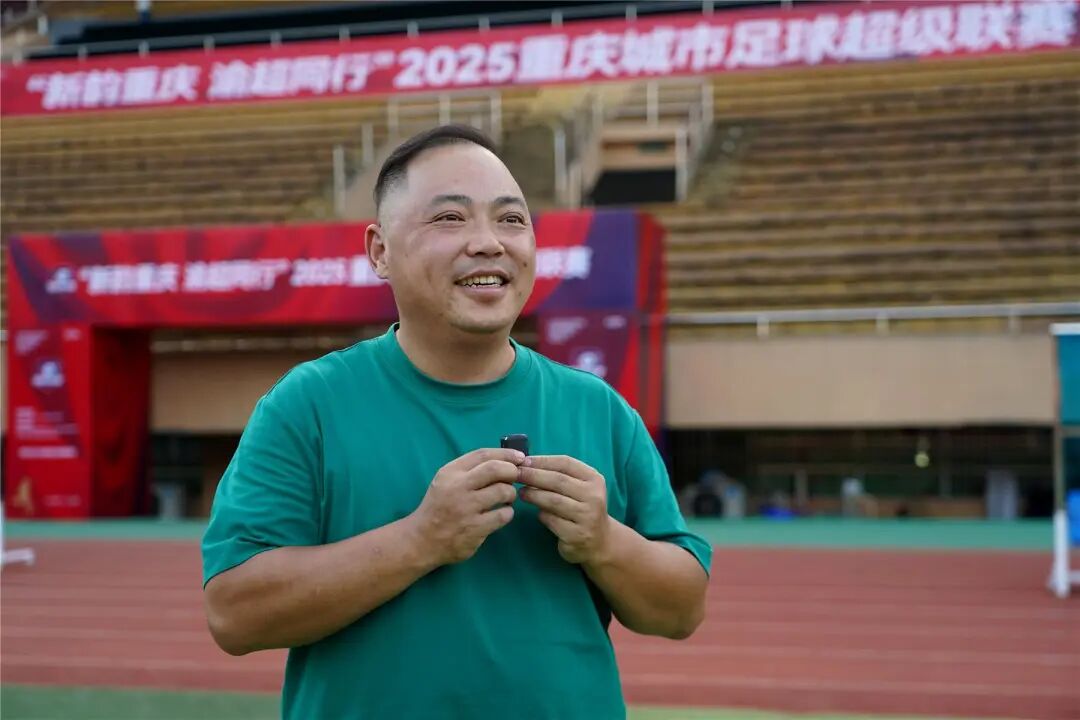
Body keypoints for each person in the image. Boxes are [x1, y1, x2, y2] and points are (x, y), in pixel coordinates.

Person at [201, 124, 712, 720]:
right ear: (380, 251)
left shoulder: (598, 408)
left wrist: (604, 541)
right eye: (450, 218)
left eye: (511, 219)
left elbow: (682, 610)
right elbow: (234, 614)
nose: (489, 243)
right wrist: (420, 539)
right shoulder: (307, 405)